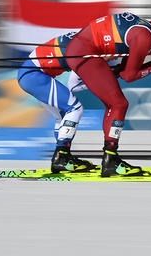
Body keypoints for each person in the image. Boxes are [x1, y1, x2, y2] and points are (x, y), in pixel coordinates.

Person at [63, 8, 151, 176]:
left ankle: (71, 155)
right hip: (85, 53)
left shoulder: (142, 29)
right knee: (119, 104)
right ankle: (110, 160)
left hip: (82, 50)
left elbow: (123, 70)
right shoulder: (144, 37)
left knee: (115, 103)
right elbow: (129, 75)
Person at [16, 30, 95, 173]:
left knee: (62, 116)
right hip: (35, 75)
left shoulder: (82, 39)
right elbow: (73, 85)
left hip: (30, 75)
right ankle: (61, 157)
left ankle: (63, 157)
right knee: (75, 108)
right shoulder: (84, 45)